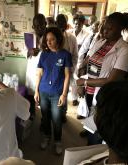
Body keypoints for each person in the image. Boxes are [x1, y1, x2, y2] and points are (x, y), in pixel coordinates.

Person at [77, 12, 128, 119]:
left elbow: (112, 80)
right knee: (89, 111)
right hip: (89, 88)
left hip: (104, 92)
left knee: (100, 119)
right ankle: (88, 127)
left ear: (120, 29)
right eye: (105, 27)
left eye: (110, 29)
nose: (105, 31)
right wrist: (81, 76)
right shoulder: (100, 42)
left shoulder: (125, 50)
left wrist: (84, 82)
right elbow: (87, 60)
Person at [34, 27, 72, 155]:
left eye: (52, 39)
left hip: (57, 93)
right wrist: (36, 91)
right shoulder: (44, 54)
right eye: (47, 40)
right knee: (45, 117)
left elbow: (67, 75)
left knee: (56, 119)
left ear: (58, 39)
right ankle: (46, 137)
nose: (49, 42)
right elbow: (39, 73)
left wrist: (64, 94)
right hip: (43, 91)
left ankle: (57, 141)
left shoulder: (66, 55)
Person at [55, 14, 79, 123]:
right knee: (54, 93)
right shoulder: (51, 37)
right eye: (59, 23)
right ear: (55, 24)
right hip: (54, 72)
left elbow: (75, 55)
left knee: (65, 93)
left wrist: (71, 69)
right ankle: (54, 113)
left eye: (63, 23)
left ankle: (63, 113)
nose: (61, 26)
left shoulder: (72, 38)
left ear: (67, 24)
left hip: (66, 72)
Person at [25, 13, 47, 120]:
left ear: (45, 24)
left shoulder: (50, 37)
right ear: (33, 26)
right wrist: (30, 51)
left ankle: (44, 118)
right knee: (30, 94)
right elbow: (24, 54)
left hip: (44, 72)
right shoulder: (29, 36)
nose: (38, 28)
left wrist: (43, 49)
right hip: (31, 72)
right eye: (36, 26)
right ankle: (32, 113)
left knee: (43, 96)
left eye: (41, 25)